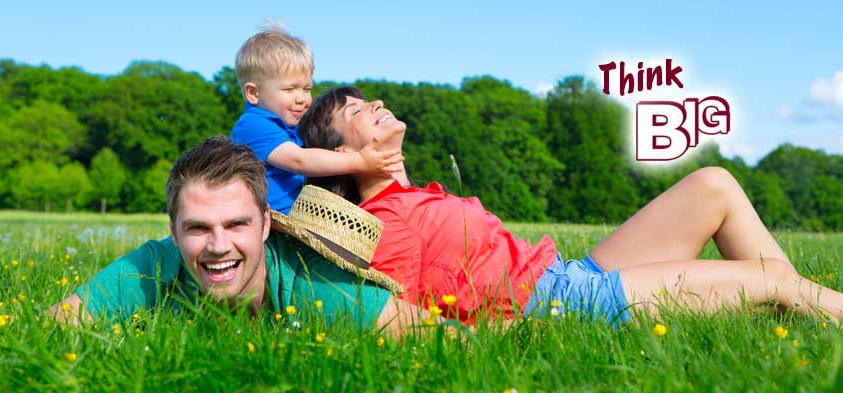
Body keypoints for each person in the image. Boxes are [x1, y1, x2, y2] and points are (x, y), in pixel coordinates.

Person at [297, 86, 843, 325]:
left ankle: (802, 314)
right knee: (768, 278)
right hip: (565, 307)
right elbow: (398, 316)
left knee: (714, 184)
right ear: (340, 153)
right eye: (360, 110)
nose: (378, 104)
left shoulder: (415, 194)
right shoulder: (385, 225)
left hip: (572, 275)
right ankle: (802, 303)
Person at [49, 136, 426, 332]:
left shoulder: (315, 284)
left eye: (235, 224)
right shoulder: (149, 269)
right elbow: (50, 328)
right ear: (173, 232)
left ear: (265, 223)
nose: (218, 246)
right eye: (197, 227)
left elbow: (446, 339)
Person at [229, 21, 403, 214]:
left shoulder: (285, 128)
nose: (302, 99)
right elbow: (299, 161)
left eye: (306, 89)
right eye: (289, 89)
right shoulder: (254, 125)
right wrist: (360, 161)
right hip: (263, 225)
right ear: (253, 93)